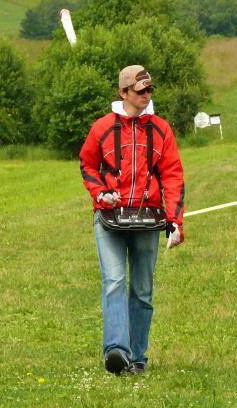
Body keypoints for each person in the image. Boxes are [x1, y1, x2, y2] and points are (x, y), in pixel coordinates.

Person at [79, 65, 185, 375]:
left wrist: (175, 220)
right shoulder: (101, 128)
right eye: (141, 91)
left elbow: (173, 174)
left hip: (147, 220)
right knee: (114, 282)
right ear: (123, 92)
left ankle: (137, 358)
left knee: (142, 290)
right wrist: (101, 194)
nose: (147, 95)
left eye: (150, 90)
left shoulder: (162, 129)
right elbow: (88, 165)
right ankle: (116, 351)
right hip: (109, 219)